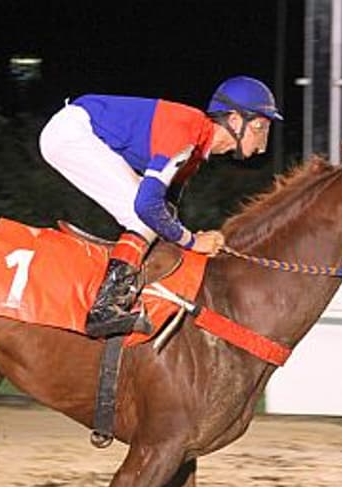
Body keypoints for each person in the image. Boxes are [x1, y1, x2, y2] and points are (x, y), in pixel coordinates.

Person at [39, 75, 282, 338]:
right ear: (235, 120)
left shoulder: (196, 152)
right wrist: (192, 242)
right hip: (71, 133)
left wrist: (189, 239)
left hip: (76, 130)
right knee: (142, 214)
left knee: (152, 215)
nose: (261, 144)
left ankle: (120, 294)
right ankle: (106, 306)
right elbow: (148, 207)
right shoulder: (188, 132)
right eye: (260, 127)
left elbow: (167, 212)